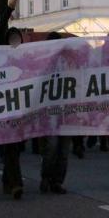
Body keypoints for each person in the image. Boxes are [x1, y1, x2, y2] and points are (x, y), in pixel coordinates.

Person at [38, 31, 70, 195]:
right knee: (51, 147)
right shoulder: (43, 63)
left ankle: (57, 181)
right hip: (49, 111)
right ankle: (46, 177)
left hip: (66, 110)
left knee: (64, 150)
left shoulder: (67, 62)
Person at [0, 28, 24, 199]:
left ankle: (7, 181)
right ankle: (16, 183)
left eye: (18, 38)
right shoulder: (0, 58)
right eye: (12, 38)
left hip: (20, 111)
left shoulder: (26, 58)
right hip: (3, 111)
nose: (15, 42)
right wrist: (8, 10)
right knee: (9, 148)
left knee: (15, 149)